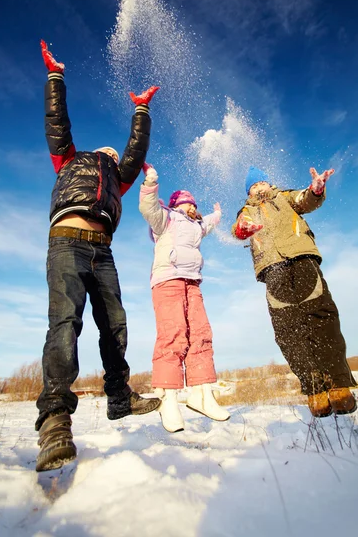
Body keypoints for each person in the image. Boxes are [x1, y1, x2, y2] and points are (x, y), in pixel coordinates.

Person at [35, 40, 161, 472]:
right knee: (66, 323)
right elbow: (58, 124)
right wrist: (56, 77)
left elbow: (135, 151)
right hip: (67, 243)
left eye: (113, 154)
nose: (109, 155)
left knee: (116, 326)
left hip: (102, 253)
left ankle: (120, 398)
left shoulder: (119, 179)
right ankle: (55, 418)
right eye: (105, 152)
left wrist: (141, 110)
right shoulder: (68, 160)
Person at [231, 165, 357, 418]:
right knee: (288, 331)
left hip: (301, 259)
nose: (259, 188)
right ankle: (314, 389)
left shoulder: (285, 198)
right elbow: (238, 230)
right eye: (253, 186)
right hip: (272, 269)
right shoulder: (246, 211)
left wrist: (316, 189)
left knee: (321, 318)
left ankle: (338, 384)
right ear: (249, 192)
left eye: (261, 183)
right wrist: (243, 230)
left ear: (269, 184)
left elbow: (306, 200)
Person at [138, 163, 230, 432]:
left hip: (193, 283)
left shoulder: (196, 226)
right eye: (187, 203)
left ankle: (201, 394)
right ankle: (167, 398)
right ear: (177, 204)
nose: (191, 206)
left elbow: (208, 224)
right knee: (173, 334)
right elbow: (148, 207)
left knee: (201, 333)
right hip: (167, 281)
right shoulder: (165, 219)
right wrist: (151, 183)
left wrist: (216, 215)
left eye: (193, 204)